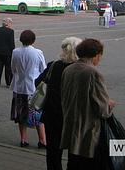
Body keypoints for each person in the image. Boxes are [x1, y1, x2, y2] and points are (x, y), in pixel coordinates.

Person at [60, 38, 115, 170]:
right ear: (96, 55)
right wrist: (110, 104)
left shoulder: (69, 69)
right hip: (88, 131)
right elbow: (102, 109)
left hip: (70, 124)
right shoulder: (93, 73)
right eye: (100, 56)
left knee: (73, 163)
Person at [35, 37, 81, 170]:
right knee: (74, 152)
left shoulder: (54, 65)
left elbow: (37, 82)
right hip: (72, 116)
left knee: (53, 152)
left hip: (52, 114)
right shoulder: (80, 69)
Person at [10, 30, 47, 149]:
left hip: (19, 86)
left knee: (21, 114)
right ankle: (42, 140)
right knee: (37, 115)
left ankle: (23, 139)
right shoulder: (38, 52)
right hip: (33, 87)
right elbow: (43, 69)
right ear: (33, 40)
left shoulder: (15, 52)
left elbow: (13, 68)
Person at [0, 18, 15, 87]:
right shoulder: (11, 31)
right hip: (7, 53)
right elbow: (11, 43)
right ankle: (8, 83)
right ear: (8, 23)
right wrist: (12, 50)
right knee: (8, 68)